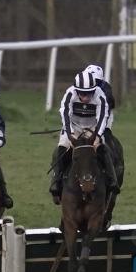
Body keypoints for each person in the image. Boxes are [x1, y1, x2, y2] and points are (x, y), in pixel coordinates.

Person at [48, 67, 124, 208]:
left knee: (101, 148)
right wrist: (70, 134)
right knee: (61, 148)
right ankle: (56, 181)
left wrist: (97, 136)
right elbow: (65, 113)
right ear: (77, 90)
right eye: (82, 93)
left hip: (92, 127)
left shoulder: (100, 95)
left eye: (89, 93)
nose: (86, 98)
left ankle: (111, 179)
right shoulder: (70, 94)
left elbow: (102, 117)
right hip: (74, 127)